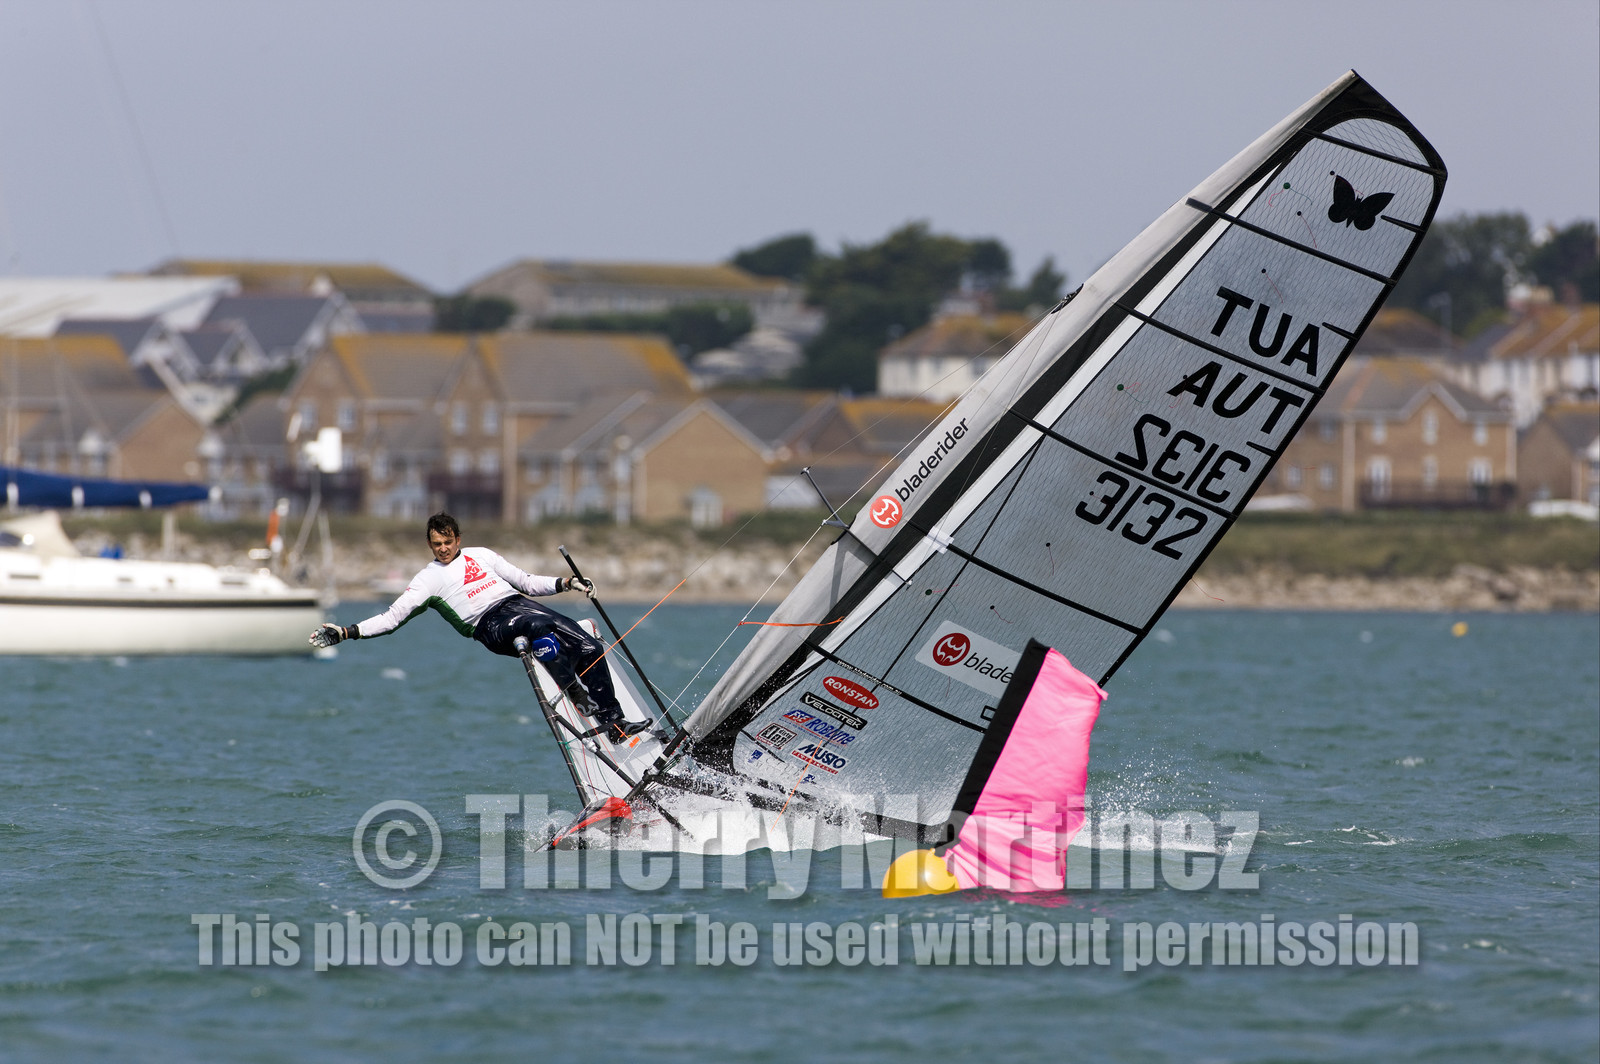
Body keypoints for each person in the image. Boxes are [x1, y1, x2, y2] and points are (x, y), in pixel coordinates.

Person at [309, 512, 648, 744]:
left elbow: (527, 582)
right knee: (538, 624)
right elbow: (391, 619)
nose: (442, 549)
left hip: (522, 607)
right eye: (436, 544)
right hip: (490, 626)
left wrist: (568, 582)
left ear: (457, 538)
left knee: (589, 647)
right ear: (430, 545)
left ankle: (614, 723)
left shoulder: (482, 555)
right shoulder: (428, 579)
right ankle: (573, 689)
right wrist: (345, 631)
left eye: (447, 542)